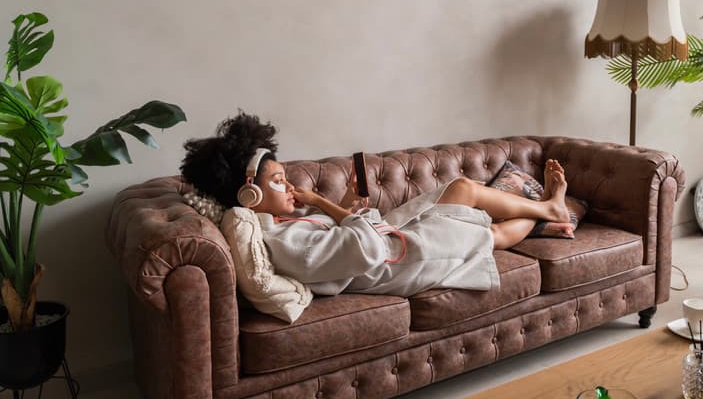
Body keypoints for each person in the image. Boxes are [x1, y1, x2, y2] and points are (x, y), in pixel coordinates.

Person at [181, 113, 570, 297]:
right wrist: (327, 204)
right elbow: (363, 248)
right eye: (278, 181)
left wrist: (343, 203)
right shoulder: (282, 242)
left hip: (387, 237)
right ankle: (550, 212)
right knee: (490, 233)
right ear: (249, 196)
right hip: (396, 261)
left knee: (463, 188)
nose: (288, 186)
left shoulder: (282, 222)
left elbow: (340, 234)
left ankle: (549, 211)